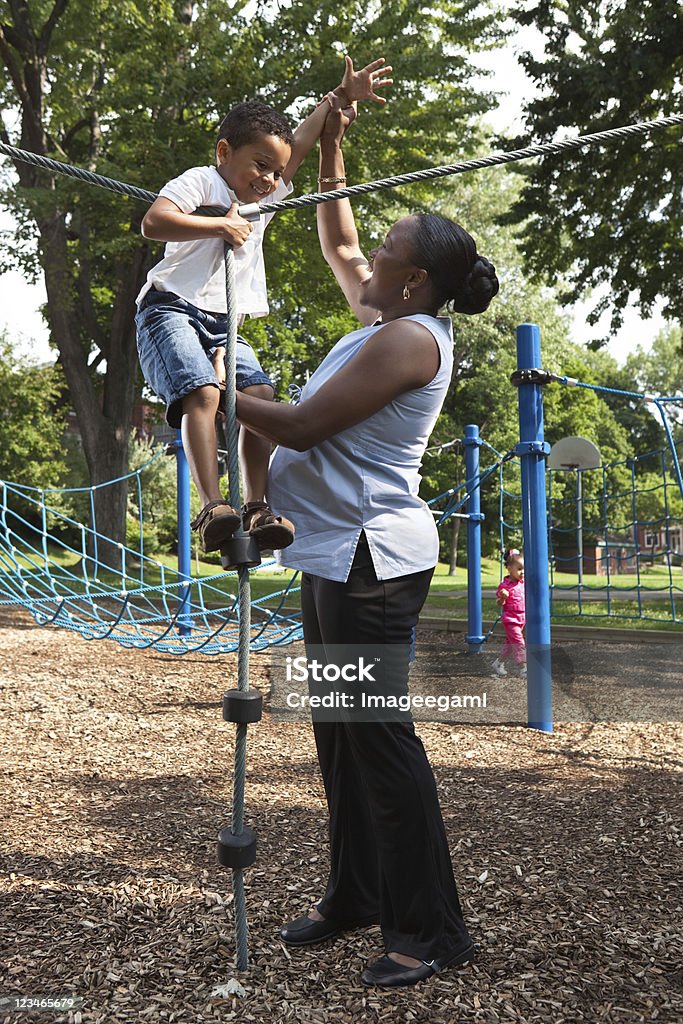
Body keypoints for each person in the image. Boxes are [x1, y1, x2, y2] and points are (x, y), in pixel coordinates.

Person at [235, 104, 499, 988]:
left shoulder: (409, 343)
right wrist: (335, 140)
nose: (370, 255)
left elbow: (304, 427)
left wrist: (208, 389)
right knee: (340, 734)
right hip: (330, 554)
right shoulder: (384, 313)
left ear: (416, 280)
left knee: (378, 737)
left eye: (389, 250)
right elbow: (338, 234)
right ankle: (355, 894)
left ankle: (430, 930)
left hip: (370, 561)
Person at [135, 57, 392, 556]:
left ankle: (256, 505)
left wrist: (337, 101)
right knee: (204, 393)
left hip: (225, 322)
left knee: (261, 395)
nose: (270, 179)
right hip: (171, 309)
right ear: (224, 152)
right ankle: (212, 506)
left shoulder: (263, 197)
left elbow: (297, 143)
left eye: (276, 172)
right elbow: (154, 222)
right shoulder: (201, 183)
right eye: (259, 165)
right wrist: (220, 225)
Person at [492, 548, 526, 677]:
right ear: (510, 568)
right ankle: (523, 667)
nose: (522, 572)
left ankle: (498, 663)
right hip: (511, 620)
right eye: (519, 569)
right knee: (519, 642)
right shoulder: (504, 586)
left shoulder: (522, 583)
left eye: (524, 569)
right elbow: (500, 603)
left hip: (521, 618)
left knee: (510, 645)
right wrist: (503, 597)